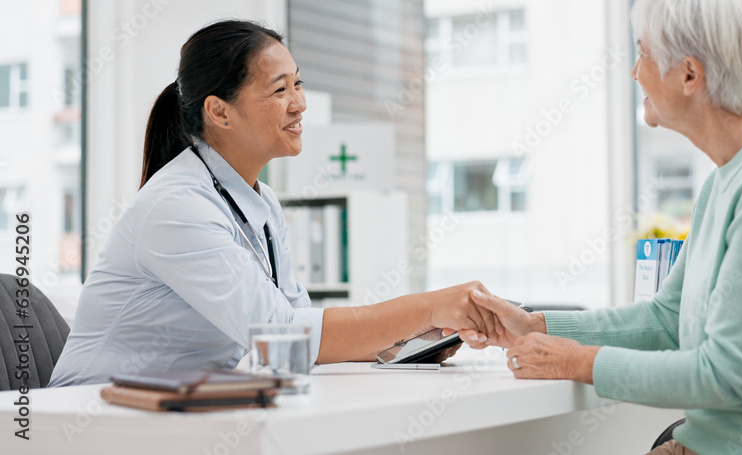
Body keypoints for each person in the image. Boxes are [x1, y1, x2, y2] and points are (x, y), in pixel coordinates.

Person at [461, 0, 742, 455]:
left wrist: (580, 362)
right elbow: (667, 320)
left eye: (643, 54)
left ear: (689, 75)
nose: (635, 71)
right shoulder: (731, 177)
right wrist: (540, 328)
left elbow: (723, 377)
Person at [49, 20, 494, 387]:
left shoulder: (262, 205)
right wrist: (428, 306)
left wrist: (403, 340)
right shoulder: (177, 207)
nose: (300, 104)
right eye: (280, 90)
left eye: (298, 84)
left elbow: (296, 326)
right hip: (93, 414)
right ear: (220, 113)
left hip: (176, 412)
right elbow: (279, 337)